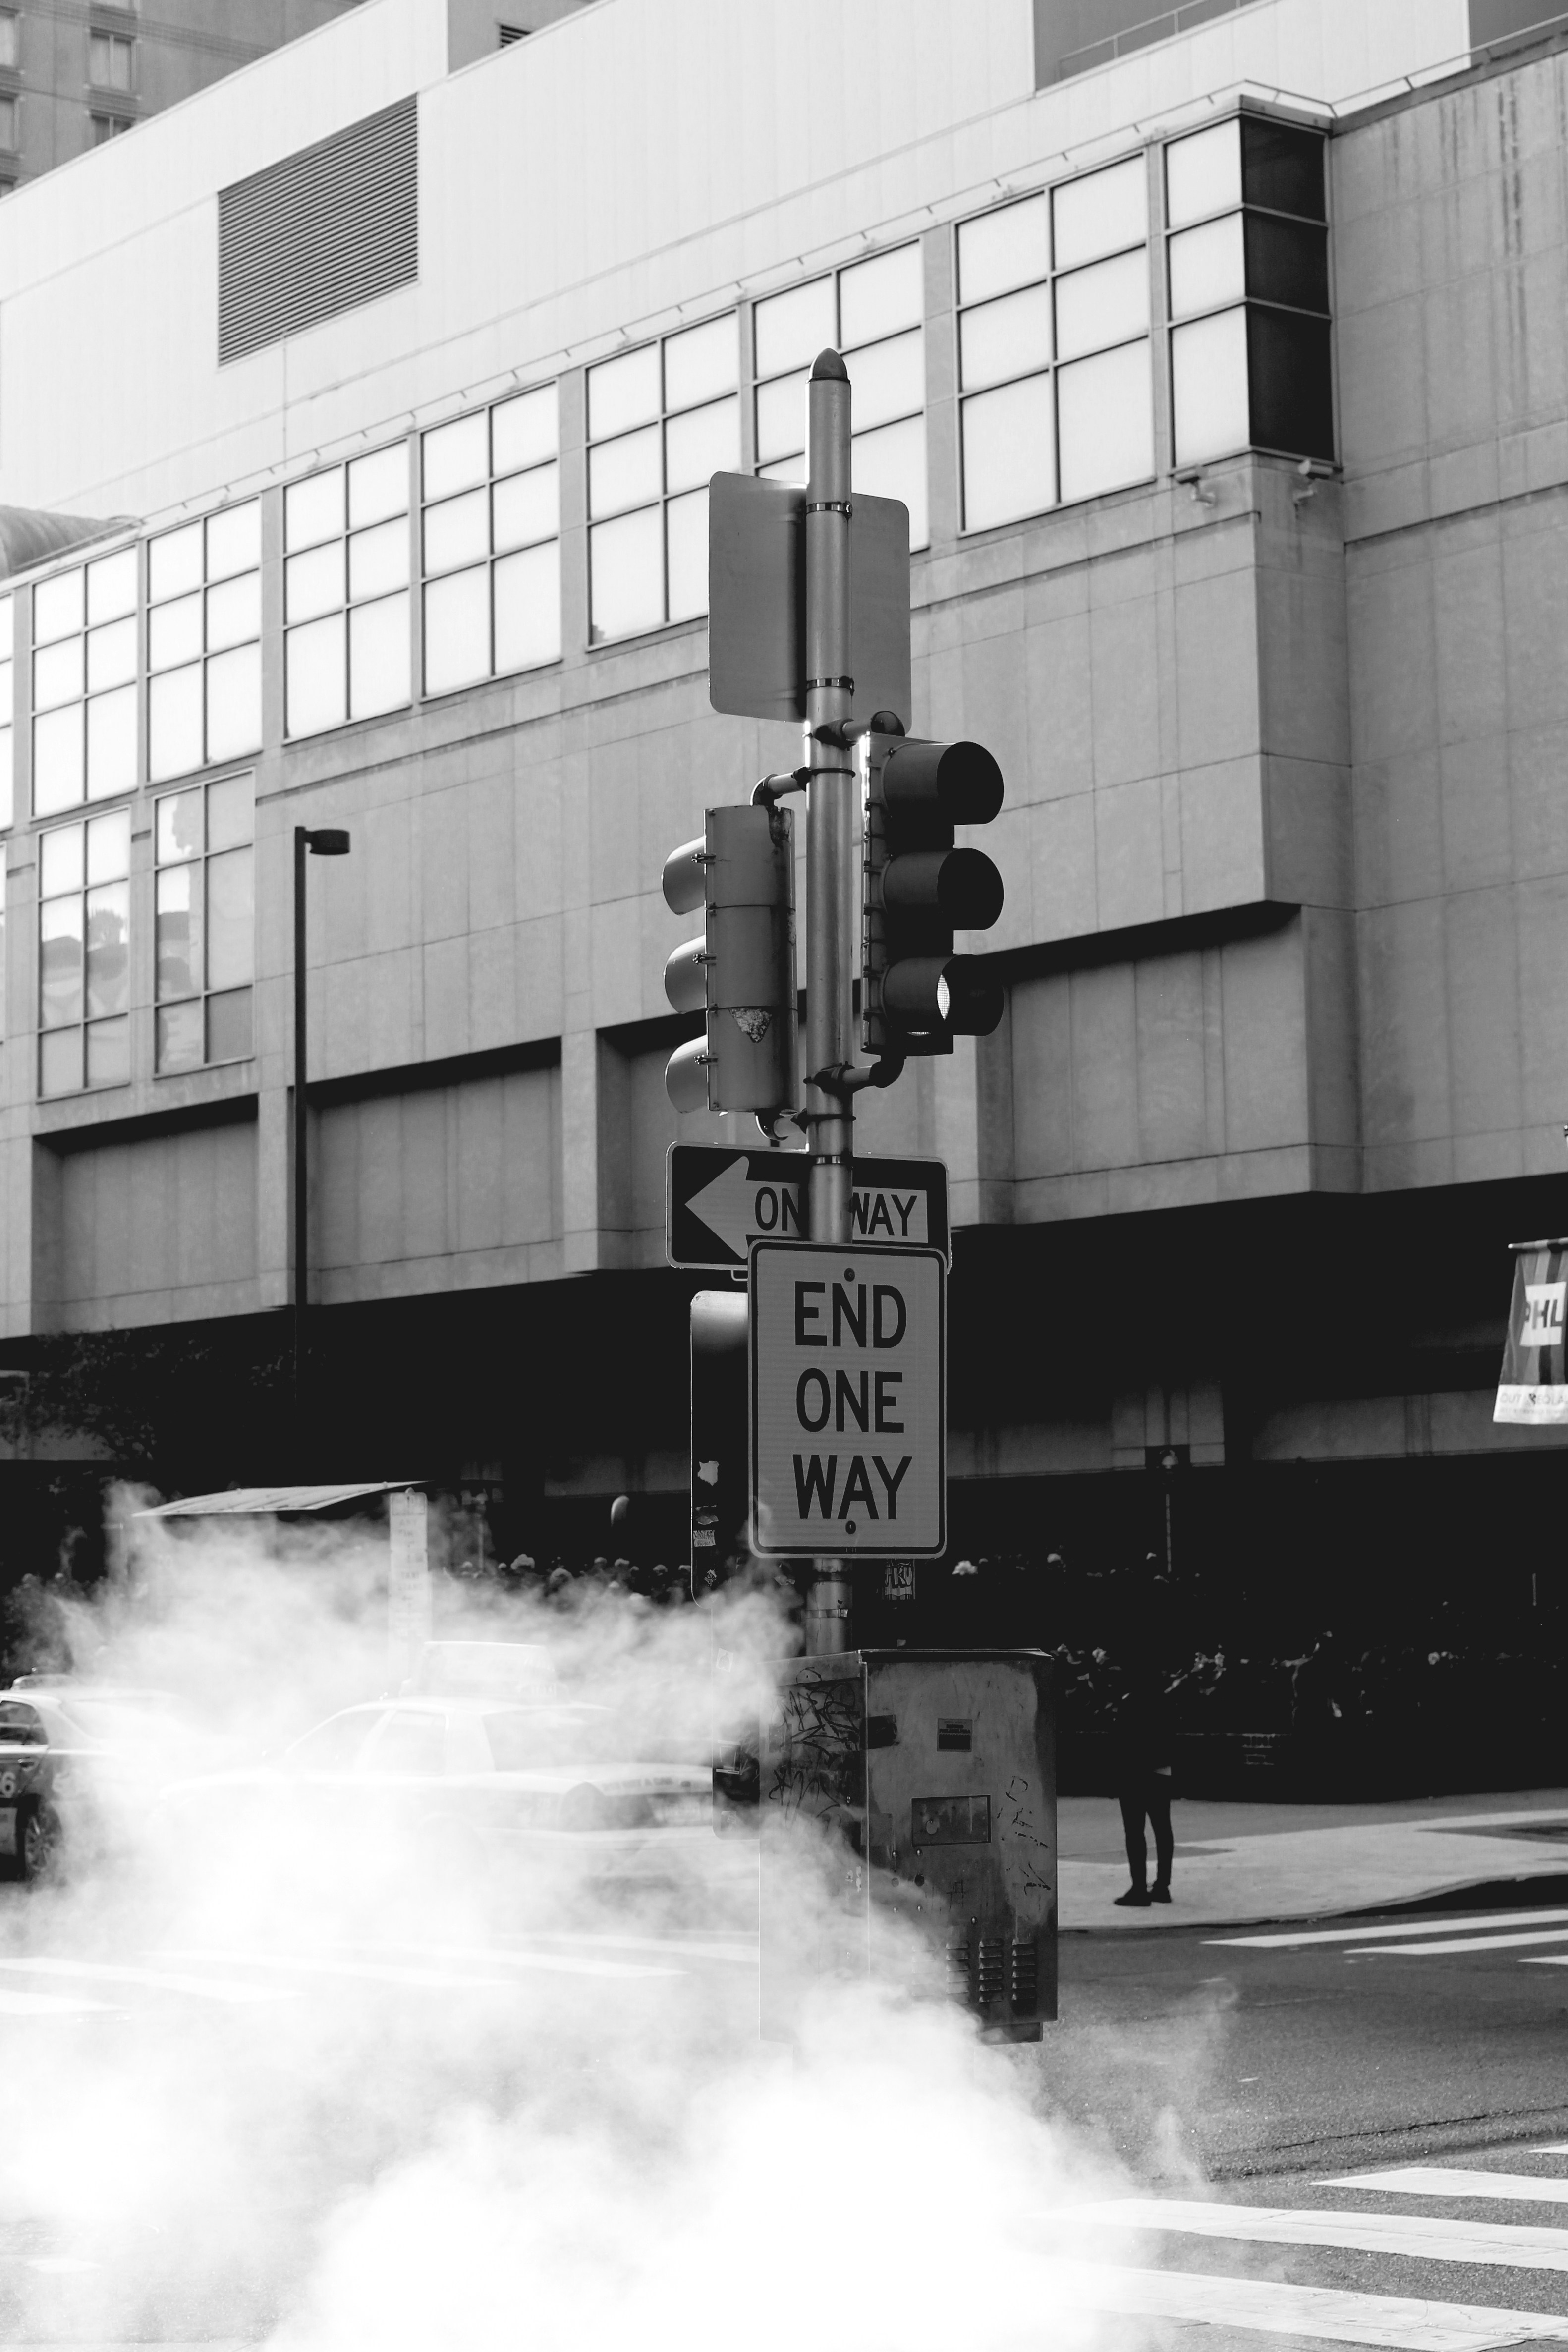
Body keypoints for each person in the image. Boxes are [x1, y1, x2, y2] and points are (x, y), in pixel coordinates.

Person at [1112, 1654, 1175, 1908]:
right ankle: (1162, 1886)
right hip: (1161, 1770)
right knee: (1162, 1829)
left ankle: (1139, 1888)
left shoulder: (1130, 1704)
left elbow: (1122, 1742)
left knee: (1135, 1832)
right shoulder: (1165, 1701)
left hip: (1134, 1774)